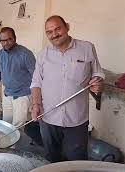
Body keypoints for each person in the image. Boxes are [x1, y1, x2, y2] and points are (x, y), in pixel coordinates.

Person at [30, 15, 105, 162]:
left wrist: (97, 83)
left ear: (67, 27)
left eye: (58, 29)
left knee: (77, 160)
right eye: (49, 32)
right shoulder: (43, 55)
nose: (54, 34)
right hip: (48, 118)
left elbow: (97, 73)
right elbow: (36, 82)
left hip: (76, 119)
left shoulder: (87, 48)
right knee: (53, 158)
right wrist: (36, 104)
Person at [0, 27, 36, 127]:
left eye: (9, 39)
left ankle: (16, 143)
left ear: (14, 38)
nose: (6, 43)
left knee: (17, 126)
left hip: (22, 96)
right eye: (3, 41)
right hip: (7, 94)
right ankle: (7, 143)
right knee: (6, 123)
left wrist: (36, 100)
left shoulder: (25, 54)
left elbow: (36, 77)